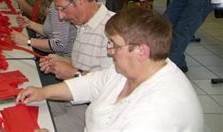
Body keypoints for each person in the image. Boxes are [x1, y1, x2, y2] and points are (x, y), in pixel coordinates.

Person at [17, 8, 204, 131]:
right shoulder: (135, 69)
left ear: (142, 51)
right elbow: (91, 84)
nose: (109, 50)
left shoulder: (154, 112)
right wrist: (43, 92)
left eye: (114, 45)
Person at [37, 0, 115, 131]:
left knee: (38, 125)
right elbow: (82, 62)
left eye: (62, 9)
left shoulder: (113, 32)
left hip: (93, 111)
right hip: (71, 97)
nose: (60, 16)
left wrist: (73, 73)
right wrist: (60, 60)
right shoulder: (83, 25)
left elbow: (111, 88)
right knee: (28, 108)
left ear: (81, 1)